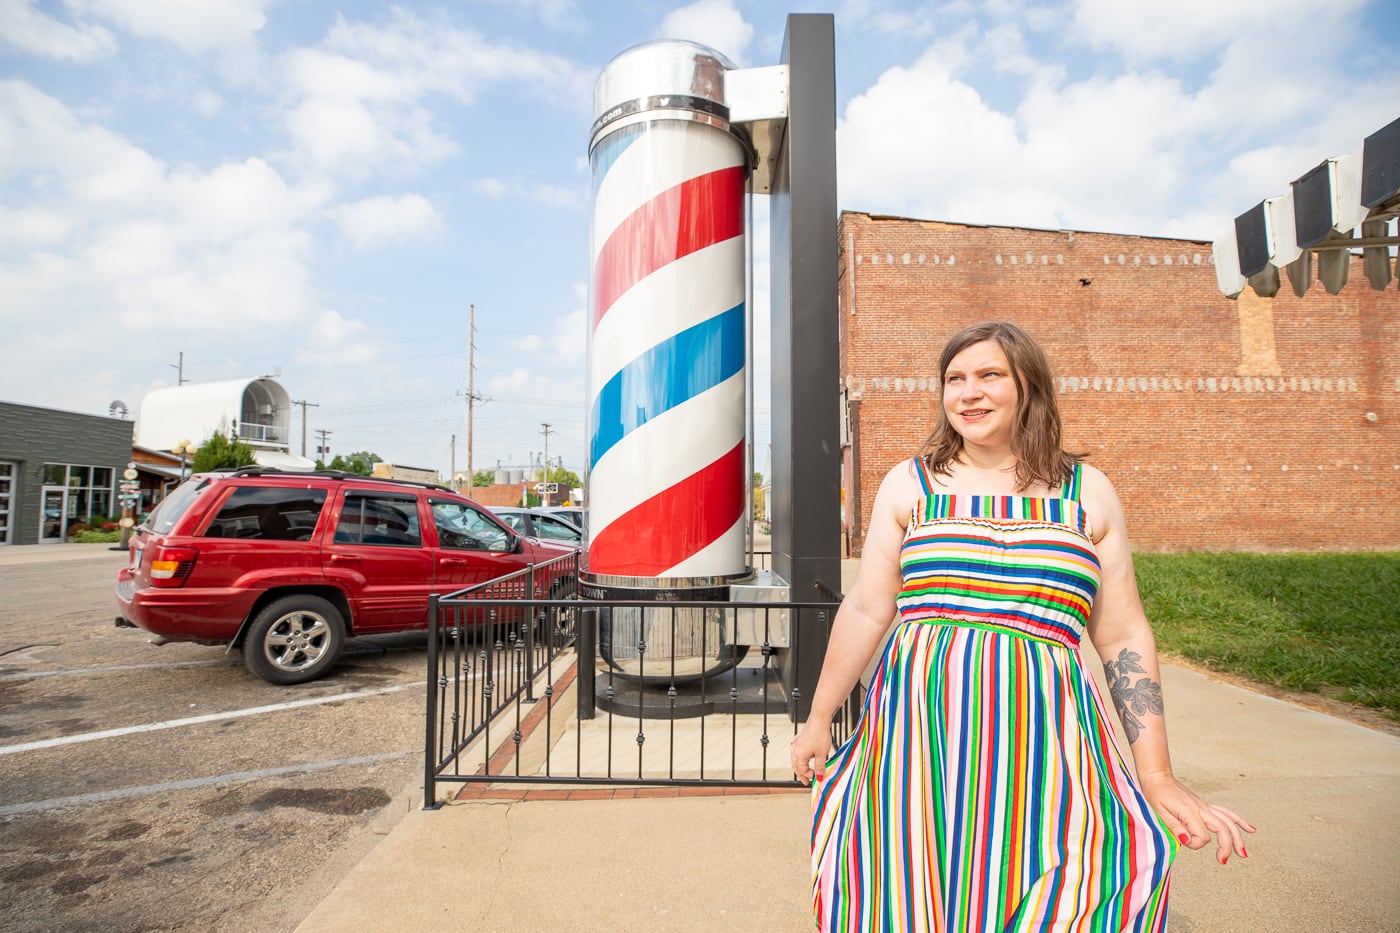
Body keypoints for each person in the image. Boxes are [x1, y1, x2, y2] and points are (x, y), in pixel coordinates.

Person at [790, 321, 1254, 931]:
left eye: (988, 376)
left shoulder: (1089, 493)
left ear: (1028, 386)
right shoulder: (912, 483)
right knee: (906, 890)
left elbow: (1121, 637)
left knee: (1079, 887)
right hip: (918, 749)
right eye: (954, 379)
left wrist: (1158, 773)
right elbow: (867, 609)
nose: (967, 393)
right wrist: (819, 719)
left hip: (1049, 752)